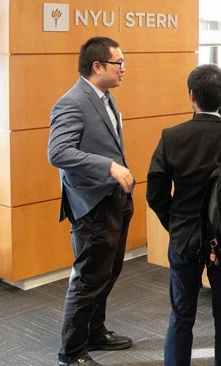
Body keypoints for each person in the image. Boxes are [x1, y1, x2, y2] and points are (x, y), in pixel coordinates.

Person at [146, 64, 221, 366]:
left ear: (191, 96)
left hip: (184, 237)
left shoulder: (172, 137)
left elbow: (155, 193)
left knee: (181, 315)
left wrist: (175, 223)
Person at [48, 37, 135, 366]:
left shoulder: (105, 97)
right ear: (97, 66)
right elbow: (58, 152)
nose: (124, 69)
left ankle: (95, 332)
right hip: (92, 205)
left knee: (108, 272)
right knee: (87, 279)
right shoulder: (71, 102)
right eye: (119, 63)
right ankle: (70, 354)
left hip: (115, 199)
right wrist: (110, 167)